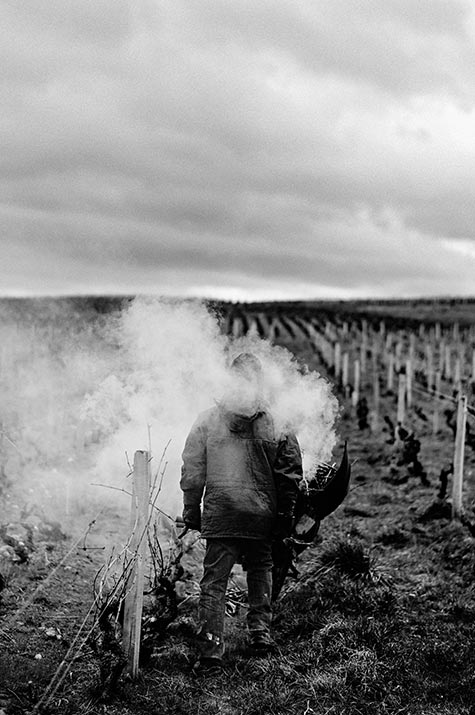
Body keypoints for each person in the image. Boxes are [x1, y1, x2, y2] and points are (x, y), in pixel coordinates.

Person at [180, 352, 303, 672]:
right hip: (261, 515)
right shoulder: (278, 422)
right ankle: (260, 633)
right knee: (261, 569)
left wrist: (192, 510)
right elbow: (290, 473)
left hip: (222, 515)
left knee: (214, 583)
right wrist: (285, 517)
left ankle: (210, 654)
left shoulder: (208, 420)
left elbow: (193, 468)